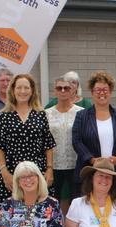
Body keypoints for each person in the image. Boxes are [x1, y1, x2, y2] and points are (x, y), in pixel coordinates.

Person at [0, 74, 56, 213]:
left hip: (37, 171)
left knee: (40, 211)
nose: (23, 91)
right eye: (19, 87)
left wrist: (50, 169)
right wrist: (4, 172)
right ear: (13, 90)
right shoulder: (4, 116)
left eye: (26, 87)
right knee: (10, 213)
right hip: (11, 171)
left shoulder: (40, 114)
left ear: (32, 91)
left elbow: (48, 144)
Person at [72, 71, 116, 191]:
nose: (101, 93)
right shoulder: (81, 116)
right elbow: (77, 141)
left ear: (110, 92)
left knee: (115, 207)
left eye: (105, 90)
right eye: (98, 90)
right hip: (89, 172)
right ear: (92, 93)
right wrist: (92, 160)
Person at [46, 76, 84, 213]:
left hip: (75, 163)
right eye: (59, 88)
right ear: (55, 91)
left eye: (66, 88)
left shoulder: (81, 112)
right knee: (52, 201)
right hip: (53, 164)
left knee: (76, 200)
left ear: (72, 90)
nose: (63, 90)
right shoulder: (46, 114)